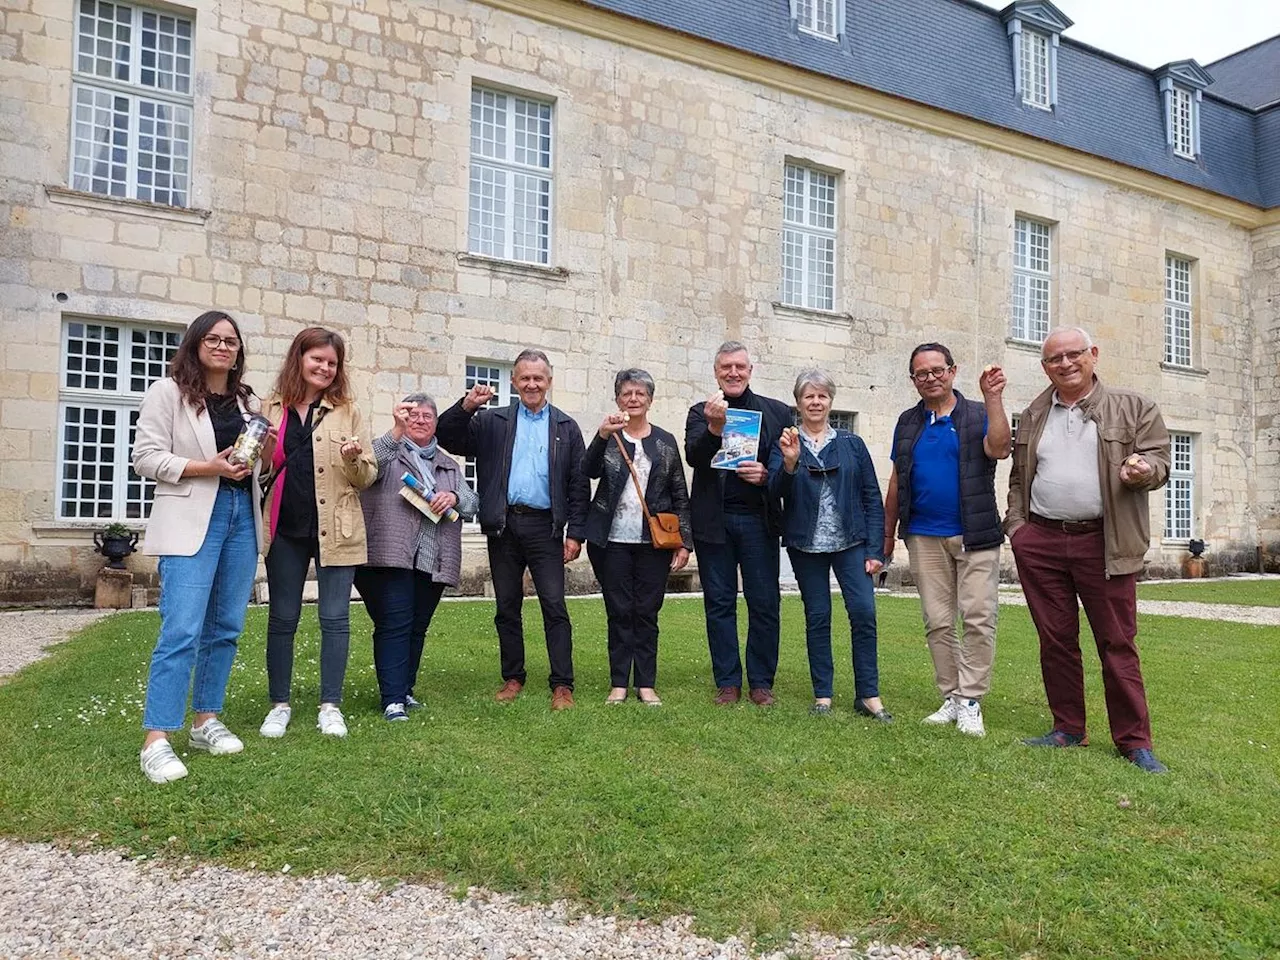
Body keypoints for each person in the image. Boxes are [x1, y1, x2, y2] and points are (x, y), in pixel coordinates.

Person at [1006, 327, 1170, 774]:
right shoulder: (1035, 412)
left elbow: (1159, 460)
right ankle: (1068, 728)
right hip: (1040, 541)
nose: (1065, 364)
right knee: (1056, 640)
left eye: (1074, 354)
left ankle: (1134, 741)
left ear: (1093, 354)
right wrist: (1018, 529)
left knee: (1117, 642)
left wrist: (1143, 470)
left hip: (1105, 541)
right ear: (1045, 367)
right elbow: (1020, 477)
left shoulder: (1134, 407)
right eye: (1054, 359)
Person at [133, 311, 264, 783]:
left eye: (231, 341)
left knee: (225, 626)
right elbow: (145, 458)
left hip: (240, 518)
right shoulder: (167, 392)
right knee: (181, 629)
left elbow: (248, 464)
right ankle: (157, 738)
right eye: (213, 338)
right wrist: (208, 467)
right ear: (195, 343)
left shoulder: (247, 403)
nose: (223, 347)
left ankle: (205, 720)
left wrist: (253, 466)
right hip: (192, 518)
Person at [436, 349, 589, 710]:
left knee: (554, 605)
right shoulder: (494, 422)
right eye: (525, 378)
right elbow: (448, 435)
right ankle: (513, 677)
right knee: (507, 605)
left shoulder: (566, 428)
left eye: (539, 378)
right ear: (515, 382)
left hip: (546, 528)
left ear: (549, 381)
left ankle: (562, 684)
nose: (532, 384)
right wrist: (467, 406)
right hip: (504, 525)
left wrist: (575, 533)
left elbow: (578, 484)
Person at [883, 344, 1011, 737]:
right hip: (923, 535)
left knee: (977, 618)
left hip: (975, 534)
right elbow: (896, 480)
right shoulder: (908, 422)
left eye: (938, 370)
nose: (930, 378)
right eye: (921, 373)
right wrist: (887, 535)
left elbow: (1000, 447)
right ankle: (952, 697)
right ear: (913, 380)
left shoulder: (975, 414)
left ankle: (970, 699)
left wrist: (993, 398)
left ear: (953, 372)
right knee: (938, 623)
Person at [259, 327, 377, 740]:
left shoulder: (348, 412)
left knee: (335, 619)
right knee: (282, 618)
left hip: (337, 528)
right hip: (285, 529)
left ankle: (331, 705)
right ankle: (279, 705)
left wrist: (354, 458)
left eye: (332, 363)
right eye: (318, 359)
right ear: (299, 359)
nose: (325, 368)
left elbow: (366, 478)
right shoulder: (269, 408)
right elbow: (257, 470)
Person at [768, 369, 890, 719]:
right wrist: (789, 464)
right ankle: (823, 693)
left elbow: (871, 496)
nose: (816, 402)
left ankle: (868, 694)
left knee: (864, 613)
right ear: (798, 403)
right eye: (809, 396)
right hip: (806, 546)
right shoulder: (787, 442)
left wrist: (875, 551)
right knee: (817, 617)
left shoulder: (852, 444)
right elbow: (774, 493)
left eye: (822, 396)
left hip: (850, 542)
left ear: (831, 401)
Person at [355, 394, 479, 721]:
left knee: (417, 626)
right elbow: (365, 470)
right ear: (401, 418)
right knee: (395, 623)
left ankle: (405, 690)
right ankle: (392, 699)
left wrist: (451, 495)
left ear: (436, 422)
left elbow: (470, 502)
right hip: (391, 553)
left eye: (427, 415)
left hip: (432, 557)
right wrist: (394, 432)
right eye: (413, 414)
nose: (420, 420)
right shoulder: (385, 451)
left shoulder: (448, 463)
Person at [685, 341, 794, 706]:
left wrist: (766, 475)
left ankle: (761, 682)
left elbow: (785, 466)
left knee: (764, 602)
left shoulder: (777, 412)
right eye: (726, 367)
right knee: (719, 602)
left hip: (757, 521)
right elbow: (695, 457)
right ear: (716, 372)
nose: (733, 373)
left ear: (750, 371)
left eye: (740, 367)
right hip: (714, 522)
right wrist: (714, 428)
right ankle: (728, 682)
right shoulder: (700, 412)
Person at [582, 369, 692, 706]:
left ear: (650, 400)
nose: (633, 399)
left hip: (653, 542)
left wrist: (685, 541)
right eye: (627, 393)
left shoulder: (664, 441)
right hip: (611, 540)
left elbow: (679, 493)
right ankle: (618, 682)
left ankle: (645, 683)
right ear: (618, 398)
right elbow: (588, 470)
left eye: (640, 394)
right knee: (618, 610)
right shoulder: (609, 436)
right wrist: (601, 436)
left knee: (646, 611)